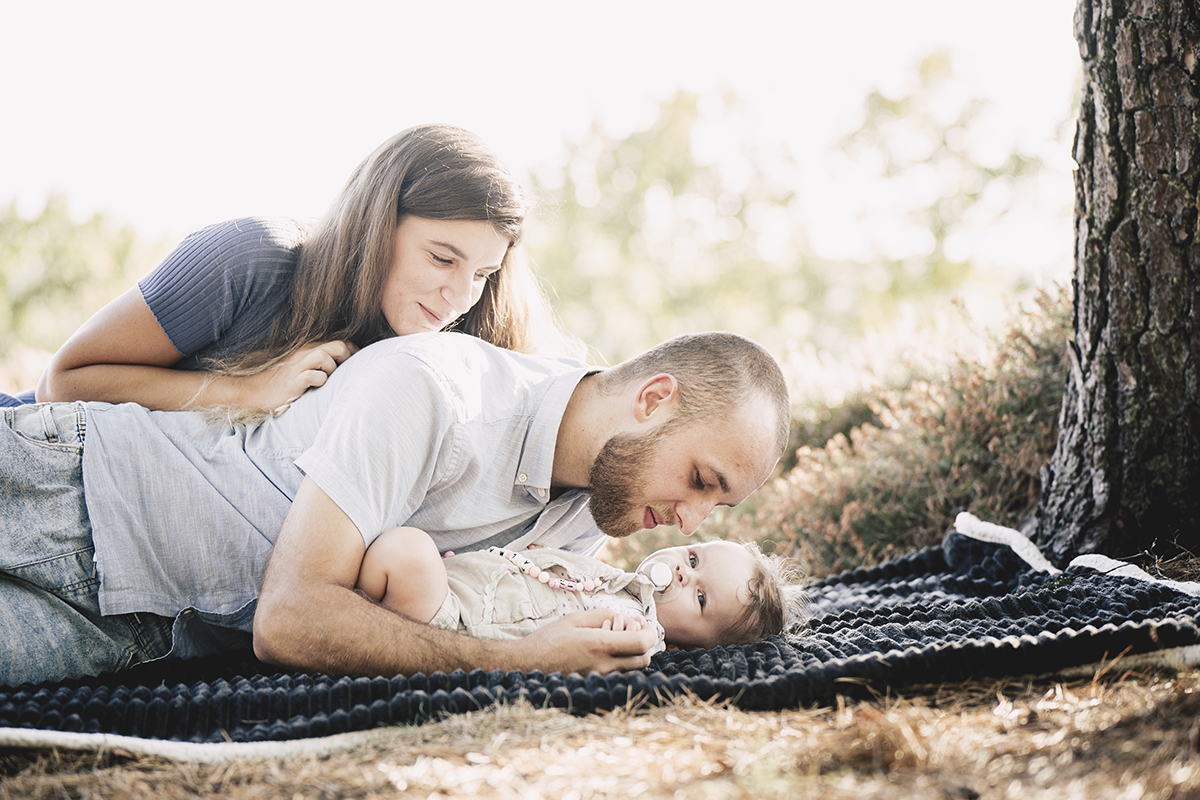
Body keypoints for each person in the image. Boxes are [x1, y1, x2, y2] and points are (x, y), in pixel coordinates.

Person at [0, 329, 791, 688]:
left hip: (142, 637)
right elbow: (292, 619)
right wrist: (522, 665)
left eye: (716, 506)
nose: (691, 520)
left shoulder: (593, 518)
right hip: (76, 489)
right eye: (701, 479)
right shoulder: (436, 390)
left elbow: (461, 620)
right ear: (653, 401)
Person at [0, 124, 572, 410]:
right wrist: (247, 390)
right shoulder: (251, 259)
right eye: (442, 258)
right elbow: (64, 382)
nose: (458, 296)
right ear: (378, 223)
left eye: (482, 275)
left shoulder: (459, 343)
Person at [356, 530, 798, 652]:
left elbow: (604, 651)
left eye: (701, 598)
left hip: (456, 623)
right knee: (387, 548)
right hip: (464, 582)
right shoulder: (611, 577)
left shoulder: (641, 630)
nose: (683, 574)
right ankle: (355, 614)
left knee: (405, 550)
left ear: (697, 646)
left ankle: (360, 625)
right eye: (694, 559)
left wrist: (623, 633)